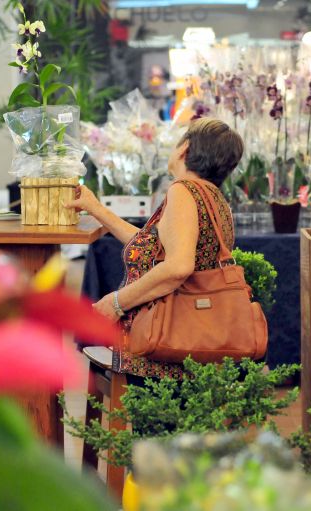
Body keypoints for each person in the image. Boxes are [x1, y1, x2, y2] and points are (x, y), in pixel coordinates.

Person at [66, 118, 244, 380]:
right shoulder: (213, 197)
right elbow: (154, 248)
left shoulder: (183, 191)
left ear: (184, 149)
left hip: (164, 348)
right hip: (196, 338)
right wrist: (96, 208)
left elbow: (178, 266)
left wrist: (116, 303)